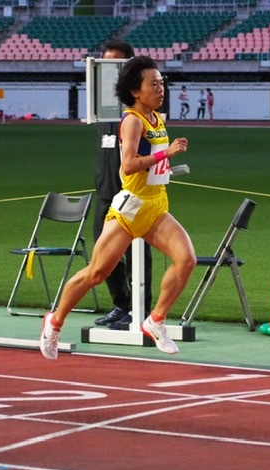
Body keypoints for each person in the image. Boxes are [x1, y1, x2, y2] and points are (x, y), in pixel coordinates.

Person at [40, 56, 195, 359]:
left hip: (155, 207)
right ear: (136, 91)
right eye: (154, 84)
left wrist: (165, 167)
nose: (161, 88)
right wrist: (167, 155)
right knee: (96, 273)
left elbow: (151, 163)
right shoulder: (133, 120)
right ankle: (55, 322)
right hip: (130, 211)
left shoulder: (156, 117)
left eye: (162, 83)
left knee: (186, 260)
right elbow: (129, 164)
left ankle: (156, 321)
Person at [93, 40, 154, 331]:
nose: (110, 72)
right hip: (105, 193)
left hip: (132, 194)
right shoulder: (103, 106)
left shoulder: (138, 109)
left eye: (115, 66)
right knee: (103, 253)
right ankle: (122, 304)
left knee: (138, 252)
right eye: (105, 65)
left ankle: (143, 310)